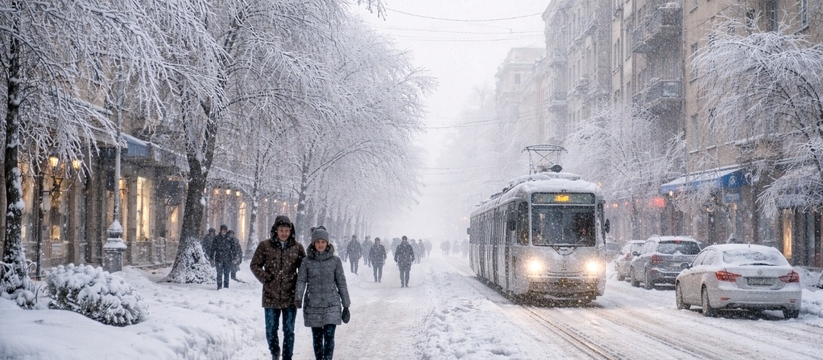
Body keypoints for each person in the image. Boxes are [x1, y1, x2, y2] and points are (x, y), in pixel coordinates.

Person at [250, 215, 306, 360]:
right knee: (270, 330)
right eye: (281, 230)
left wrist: (298, 286)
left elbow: (304, 270)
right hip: (270, 296)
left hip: (290, 296)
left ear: (290, 231)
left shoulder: (297, 247)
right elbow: (254, 265)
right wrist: (265, 278)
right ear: (276, 230)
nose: (284, 233)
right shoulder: (265, 246)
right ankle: (275, 352)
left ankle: (287, 357)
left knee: (289, 331)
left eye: (287, 230)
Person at [296, 226, 351, 360]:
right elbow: (301, 280)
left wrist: (346, 305)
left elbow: (341, 282)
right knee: (317, 338)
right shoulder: (306, 262)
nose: (320, 245)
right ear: (313, 243)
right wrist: (298, 296)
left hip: (331, 304)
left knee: (329, 336)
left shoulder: (335, 261)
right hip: (313, 305)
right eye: (317, 242)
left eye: (323, 242)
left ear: (327, 243)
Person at [209, 224, 239, 290]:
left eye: (225, 230)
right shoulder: (216, 238)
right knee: (219, 274)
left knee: (226, 274)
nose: (224, 231)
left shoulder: (230, 239)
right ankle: (219, 287)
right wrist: (212, 258)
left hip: (227, 259)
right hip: (218, 258)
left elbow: (233, 249)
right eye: (223, 230)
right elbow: (213, 248)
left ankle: (226, 287)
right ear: (220, 230)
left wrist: (234, 257)